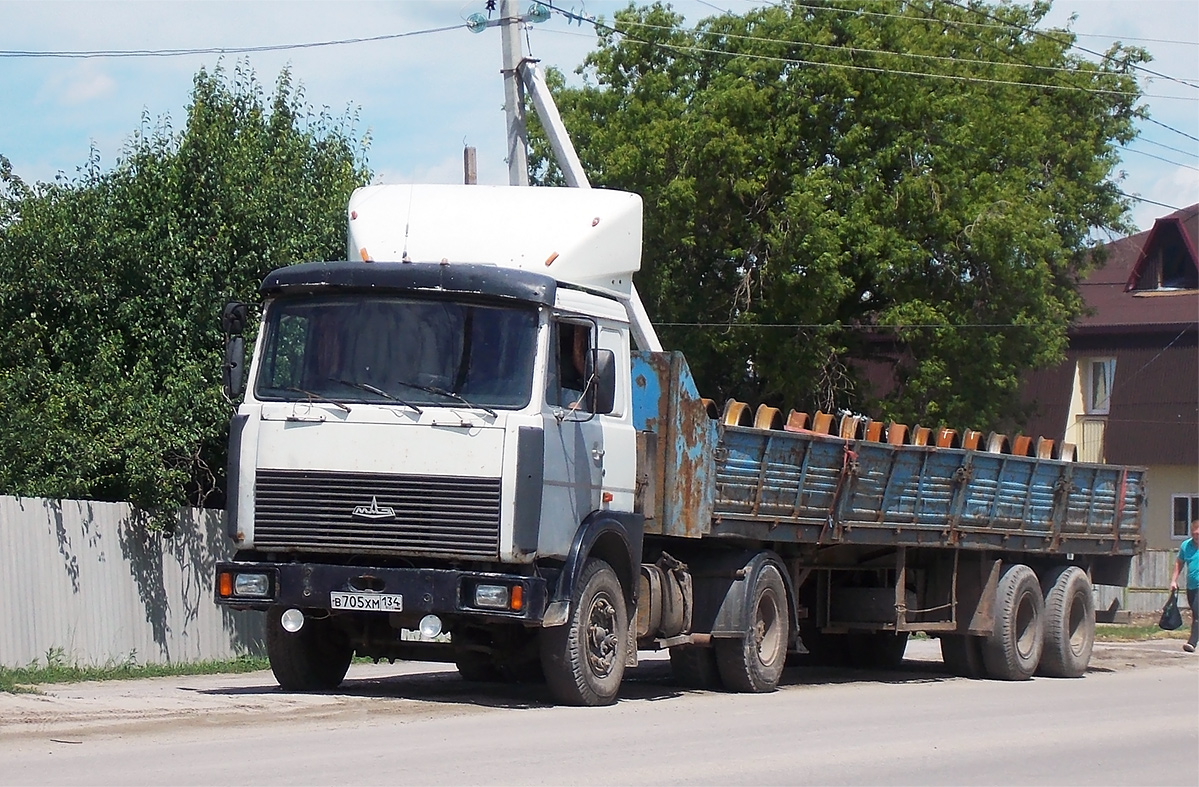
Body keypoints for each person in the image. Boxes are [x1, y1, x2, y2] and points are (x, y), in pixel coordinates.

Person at [1169, 518, 1199, 653]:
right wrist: (1174, 580)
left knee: (1198, 614)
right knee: (1195, 613)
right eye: (1195, 533)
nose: (1196, 536)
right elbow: (1179, 563)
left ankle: (1192, 642)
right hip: (1191, 586)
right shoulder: (1186, 546)